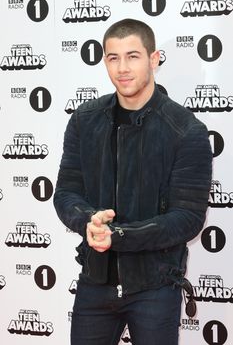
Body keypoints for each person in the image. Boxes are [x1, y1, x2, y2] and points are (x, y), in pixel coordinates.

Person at [54, 18, 212, 345]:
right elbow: (67, 191)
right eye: (113, 58)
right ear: (104, 62)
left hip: (155, 288)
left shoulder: (187, 130)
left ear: (154, 59)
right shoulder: (85, 121)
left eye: (133, 56)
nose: (122, 68)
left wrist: (119, 235)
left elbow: (187, 219)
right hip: (94, 284)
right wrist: (88, 220)